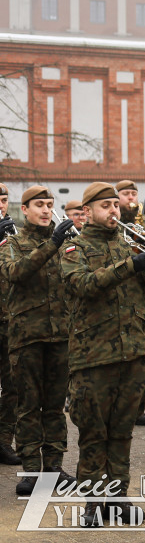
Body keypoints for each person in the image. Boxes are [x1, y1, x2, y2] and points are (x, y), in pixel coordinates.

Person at [61, 182, 145, 526]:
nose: (113, 211)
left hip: (134, 352)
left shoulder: (129, 243)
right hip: (93, 357)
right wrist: (131, 265)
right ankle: (93, 502)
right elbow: (82, 285)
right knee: (94, 434)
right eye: (105, 206)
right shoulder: (74, 248)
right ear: (88, 211)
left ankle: (117, 496)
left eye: (115, 205)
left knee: (122, 433)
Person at [0, 186, 77, 495]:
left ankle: (54, 468)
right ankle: (31, 471)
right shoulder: (12, 244)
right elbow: (16, 273)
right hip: (27, 338)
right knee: (29, 406)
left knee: (55, 407)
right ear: (25, 209)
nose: (46, 210)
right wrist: (53, 243)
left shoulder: (66, 245)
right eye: (39, 205)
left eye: (49, 204)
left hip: (60, 336)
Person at [116, 180, 145, 425]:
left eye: (134, 193)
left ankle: (140, 407)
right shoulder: (114, 226)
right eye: (126, 194)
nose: (131, 198)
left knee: (144, 355)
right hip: (122, 298)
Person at [0, 183, 21, 466]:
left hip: (9, 320)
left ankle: (4, 441)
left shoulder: (13, 234)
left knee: (13, 386)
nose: (0, 205)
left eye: (3, 200)